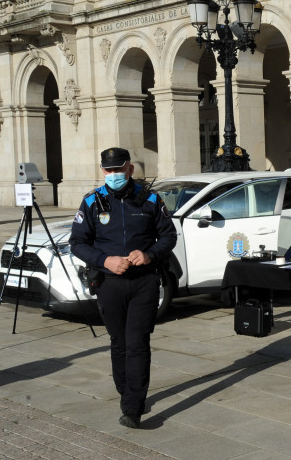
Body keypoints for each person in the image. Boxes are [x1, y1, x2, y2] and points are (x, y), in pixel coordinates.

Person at [69, 147, 177, 429]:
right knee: (119, 343)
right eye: (109, 170)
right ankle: (125, 392)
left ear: (130, 169)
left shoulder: (151, 199)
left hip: (144, 282)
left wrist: (150, 254)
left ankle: (133, 407)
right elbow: (78, 243)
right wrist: (105, 260)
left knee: (138, 343)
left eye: (119, 169)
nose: (114, 175)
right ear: (103, 170)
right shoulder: (92, 202)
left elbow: (168, 236)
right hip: (109, 282)